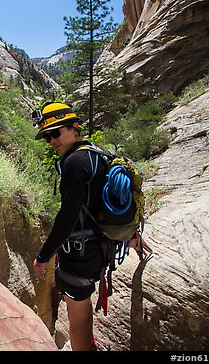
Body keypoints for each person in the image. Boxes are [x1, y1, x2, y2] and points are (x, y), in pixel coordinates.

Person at [30, 101, 151, 351]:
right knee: (81, 317)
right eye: (47, 137)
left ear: (75, 127)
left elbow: (68, 216)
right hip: (100, 248)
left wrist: (43, 256)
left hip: (80, 255)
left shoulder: (75, 163)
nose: (52, 141)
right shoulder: (98, 154)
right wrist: (132, 235)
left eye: (56, 132)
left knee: (79, 321)